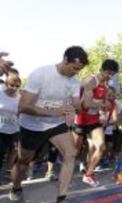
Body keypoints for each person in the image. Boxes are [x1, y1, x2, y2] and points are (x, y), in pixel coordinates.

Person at [9, 46, 88, 203]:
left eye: (79, 70)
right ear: (65, 60)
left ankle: (62, 197)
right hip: (33, 126)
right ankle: (16, 188)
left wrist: (76, 109)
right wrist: (54, 112)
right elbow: (23, 107)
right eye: (75, 68)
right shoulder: (41, 74)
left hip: (56, 125)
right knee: (24, 162)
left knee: (71, 153)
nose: (76, 72)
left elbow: (76, 105)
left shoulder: (74, 81)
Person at [73, 59, 119, 187]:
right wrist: (103, 104)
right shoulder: (91, 81)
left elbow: (105, 105)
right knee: (74, 152)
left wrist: (105, 108)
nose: (109, 76)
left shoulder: (106, 86)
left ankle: (88, 174)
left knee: (101, 146)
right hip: (81, 119)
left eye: (112, 74)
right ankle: (66, 176)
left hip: (94, 120)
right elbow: (86, 104)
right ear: (102, 70)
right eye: (108, 73)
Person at [0, 73, 21, 175]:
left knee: (14, 150)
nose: (14, 88)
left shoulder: (19, 97)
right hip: (1, 129)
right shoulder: (0, 93)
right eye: (12, 85)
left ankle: (9, 170)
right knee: (0, 152)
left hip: (14, 129)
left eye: (17, 86)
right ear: (6, 84)